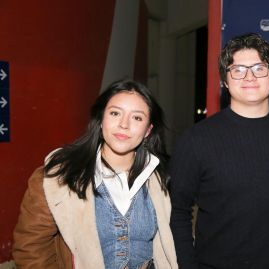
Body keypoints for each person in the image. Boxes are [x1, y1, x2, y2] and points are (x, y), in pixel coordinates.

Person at [169, 33, 269, 269]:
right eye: (238, 70)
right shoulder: (195, 140)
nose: (250, 76)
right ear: (225, 80)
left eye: (259, 68)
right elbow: (178, 212)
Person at [13, 79, 178, 269]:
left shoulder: (160, 178)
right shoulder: (59, 176)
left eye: (137, 118)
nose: (124, 124)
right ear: (101, 120)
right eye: (115, 113)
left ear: (148, 130)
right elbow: (31, 248)